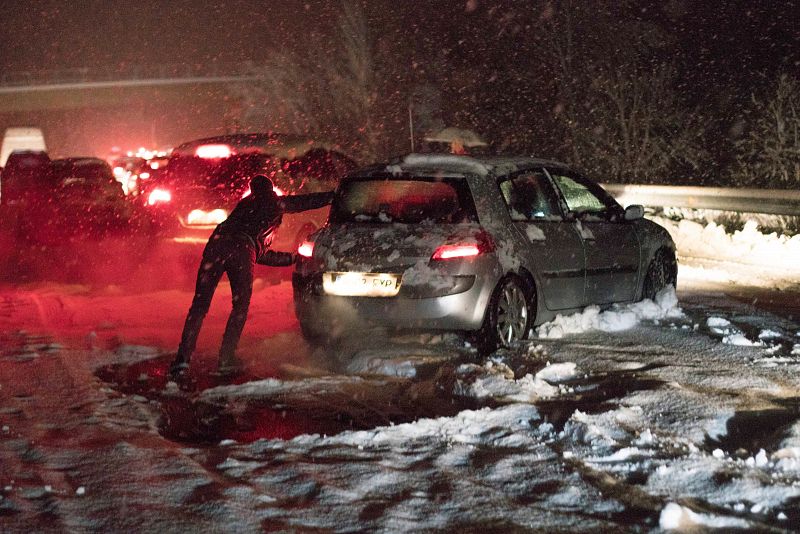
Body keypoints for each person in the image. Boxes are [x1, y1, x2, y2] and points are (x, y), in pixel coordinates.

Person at [170, 174, 333, 378]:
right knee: (240, 306)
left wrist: (290, 258)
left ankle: (182, 360)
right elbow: (305, 202)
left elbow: (259, 253)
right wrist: (333, 195)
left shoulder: (244, 205)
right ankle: (226, 358)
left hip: (216, 245)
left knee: (199, 306)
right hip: (241, 249)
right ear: (271, 189)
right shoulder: (272, 202)